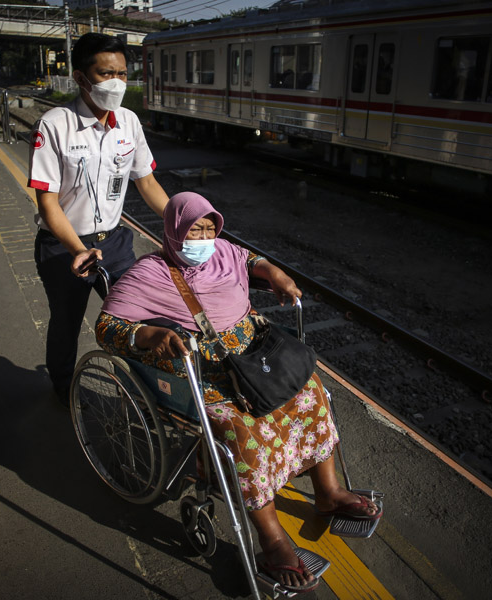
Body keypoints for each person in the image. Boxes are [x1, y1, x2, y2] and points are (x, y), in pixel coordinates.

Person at [96, 192, 381, 594]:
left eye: (210, 229)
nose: (204, 238)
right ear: (174, 231)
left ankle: (328, 493)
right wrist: (149, 334)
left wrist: (273, 272)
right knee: (241, 432)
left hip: (255, 359)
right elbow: (107, 326)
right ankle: (273, 540)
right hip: (208, 376)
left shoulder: (224, 251)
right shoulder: (148, 274)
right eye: (194, 229)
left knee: (309, 391)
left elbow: (248, 259)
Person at [27, 33, 169, 407]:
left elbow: (148, 182)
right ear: (80, 77)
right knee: (67, 322)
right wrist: (78, 249)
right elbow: (48, 201)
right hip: (63, 246)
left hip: (116, 243)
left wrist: (181, 222)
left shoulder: (130, 123)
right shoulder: (55, 124)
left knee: (138, 319)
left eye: (123, 73)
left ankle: (146, 393)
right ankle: (63, 389)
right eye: (106, 74)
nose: (117, 83)